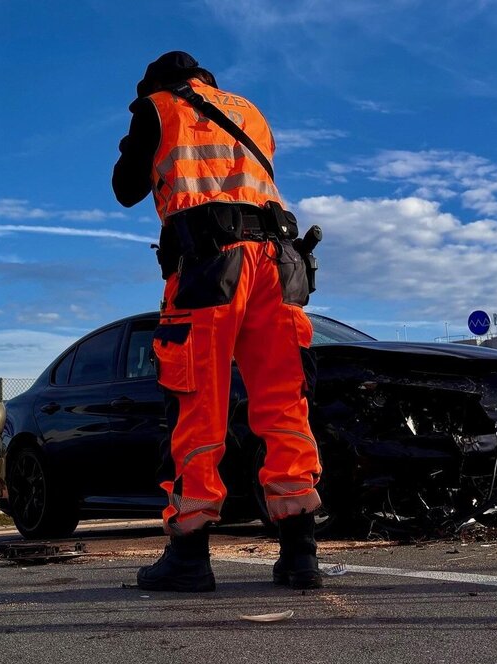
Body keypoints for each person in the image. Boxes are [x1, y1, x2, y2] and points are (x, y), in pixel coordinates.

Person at [112, 51, 323, 592]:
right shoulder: (251, 112)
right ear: (206, 80)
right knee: (284, 403)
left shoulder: (157, 107)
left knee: (196, 404)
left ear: (157, 83)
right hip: (279, 263)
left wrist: (138, 129)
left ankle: (189, 554)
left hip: (210, 264)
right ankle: (300, 552)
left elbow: (126, 187)